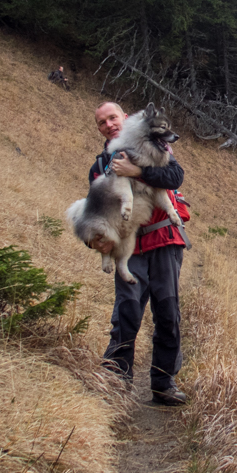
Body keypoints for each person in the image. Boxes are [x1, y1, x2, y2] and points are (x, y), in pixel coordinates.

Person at [86, 101, 189, 406]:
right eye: (102, 122)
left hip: (163, 241)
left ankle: (163, 382)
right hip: (128, 248)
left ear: (125, 117)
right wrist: (93, 242)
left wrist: (138, 171)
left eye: (112, 117)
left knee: (168, 314)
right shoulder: (100, 165)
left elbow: (175, 178)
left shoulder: (156, 149)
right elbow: (95, 210)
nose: (109, 124)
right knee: (127, 313)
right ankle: (116, 383)